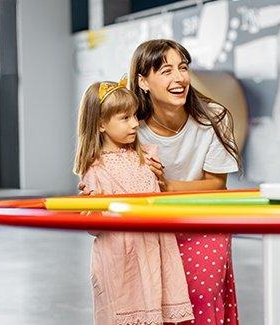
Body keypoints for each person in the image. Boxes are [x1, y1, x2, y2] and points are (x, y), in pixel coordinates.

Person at [130, 39, 241, 325]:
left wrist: (166, 187)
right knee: (155, 306)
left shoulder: (213, 118)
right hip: (153, 228)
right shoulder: (132, 128)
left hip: (203, 222)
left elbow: (216, 185)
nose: (179, 78)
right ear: (143, 82)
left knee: (201, 299)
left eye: (182, 68)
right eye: (166, 71)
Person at [73, 77, 194, 325]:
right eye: (125, 118)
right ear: (101, 124)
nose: (135, 124)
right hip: (121, 257)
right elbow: (93, 227)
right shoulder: (95, 170)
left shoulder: (146, 157)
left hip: (153, 249)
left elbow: (157, 201)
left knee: (156, 312)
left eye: (135, 116)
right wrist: (90, 209)